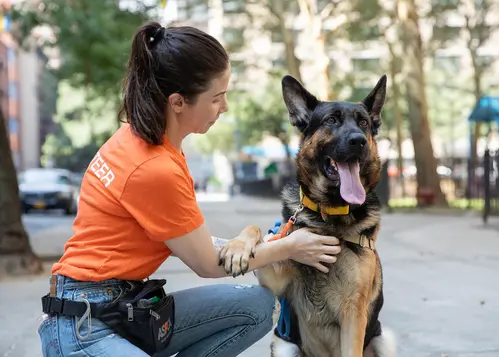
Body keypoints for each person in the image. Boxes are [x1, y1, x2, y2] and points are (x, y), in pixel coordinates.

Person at [37, 21, 342, 357]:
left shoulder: (152, 140)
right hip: (84, 326)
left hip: (127, 308)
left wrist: (253, 241)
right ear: (178, 102)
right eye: (216, 98)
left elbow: (193, 242)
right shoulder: (154, 168)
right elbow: (209, 264)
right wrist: (291, 247)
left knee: (257, 305)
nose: (224, 108)